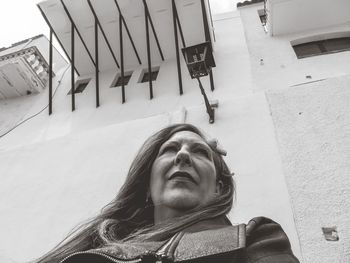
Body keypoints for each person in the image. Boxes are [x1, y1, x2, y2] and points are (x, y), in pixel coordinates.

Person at [34, 124, 300, 263]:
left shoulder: (254, 238)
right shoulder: (97, 247)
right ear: (148, 186)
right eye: (170, 149)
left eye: (199, 152)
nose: (183, 155)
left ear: (219, 189)